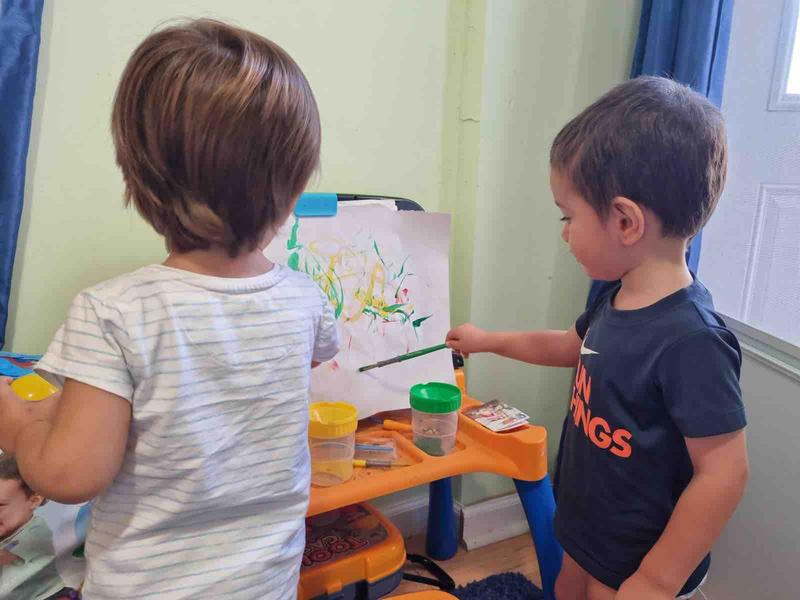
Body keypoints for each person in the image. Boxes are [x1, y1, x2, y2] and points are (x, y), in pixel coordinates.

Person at [0, 19, 338, 599]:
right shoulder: (305, 298)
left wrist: (19, 417)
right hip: (267, 582)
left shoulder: (112, 312)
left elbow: (68, 476)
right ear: (295, 179)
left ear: (141, 176)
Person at [447, 76, 749, 599]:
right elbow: (568, 346)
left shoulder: (691, 341)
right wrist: (489, 339)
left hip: (638, 563)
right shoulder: (619, 296)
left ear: (626, 221)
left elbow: (725, 472)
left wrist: (656, 579)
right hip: (588, 532)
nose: (564, 232)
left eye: (569, 216)